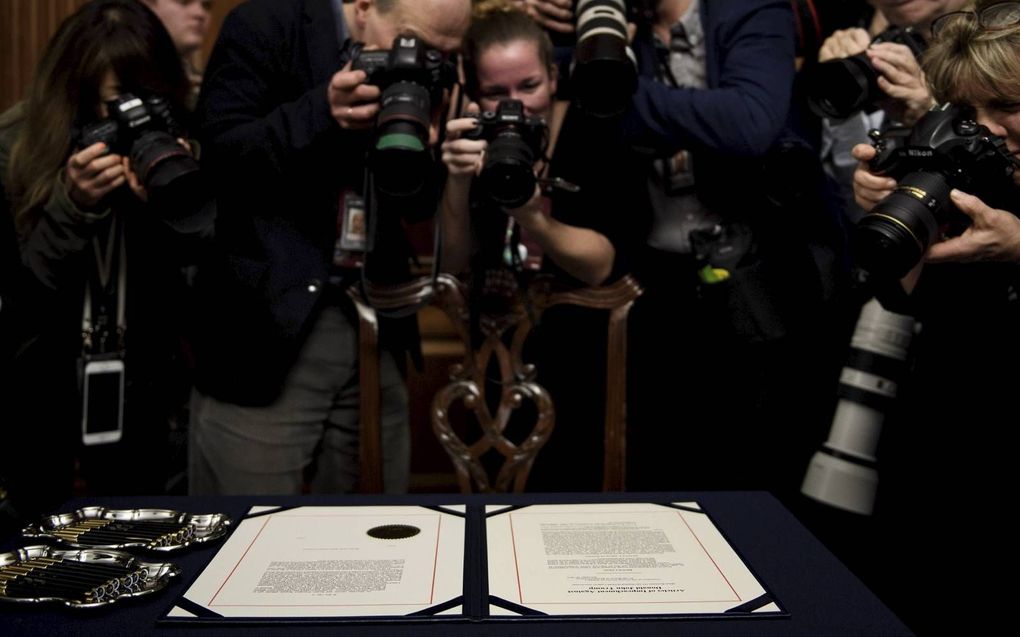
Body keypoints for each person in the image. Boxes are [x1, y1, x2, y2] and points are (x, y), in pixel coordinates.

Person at [189, 0, 472, 495]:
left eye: (446, 55)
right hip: (269, 328)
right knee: (250, 530)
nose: (429, 63)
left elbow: (415, 206)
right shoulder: (265, 25)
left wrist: (428, 151)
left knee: (378, 530)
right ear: (364, 7)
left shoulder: (428, 70)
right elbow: (218, 161)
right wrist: (323, 110)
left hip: (374, 319)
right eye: (419, 45)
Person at [847, 2, 1020, 631]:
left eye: (1007, 107)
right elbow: (904, 294)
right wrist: (898, 212)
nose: (990, 131)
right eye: (970, 113)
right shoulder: (981, 168)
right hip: (949, 427)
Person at [0, 0, 207, 503]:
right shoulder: (16, 146)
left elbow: (208, 280)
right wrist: (71, 206)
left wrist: (173, 195)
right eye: (114, 103)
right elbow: (20, 299)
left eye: (144, 99)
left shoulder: (186, 138)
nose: (127, 119)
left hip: (154, 389)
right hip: (39, 386)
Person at [439, 0, 634, 490]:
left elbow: (601, 265)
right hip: (494, 358)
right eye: (495, 92)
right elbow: (452, 265)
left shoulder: (594, 126)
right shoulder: (470, 140)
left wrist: (534, 219)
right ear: (473, 92)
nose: (517, 106)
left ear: (553, 74)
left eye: (530, 86)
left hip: (585, 355)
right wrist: (458, 182)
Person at [140, 0, 213, 108]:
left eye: (206, 5)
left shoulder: (210, 86)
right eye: (184, 2)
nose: (200, 13)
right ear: (146, 4)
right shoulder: (121, 76)